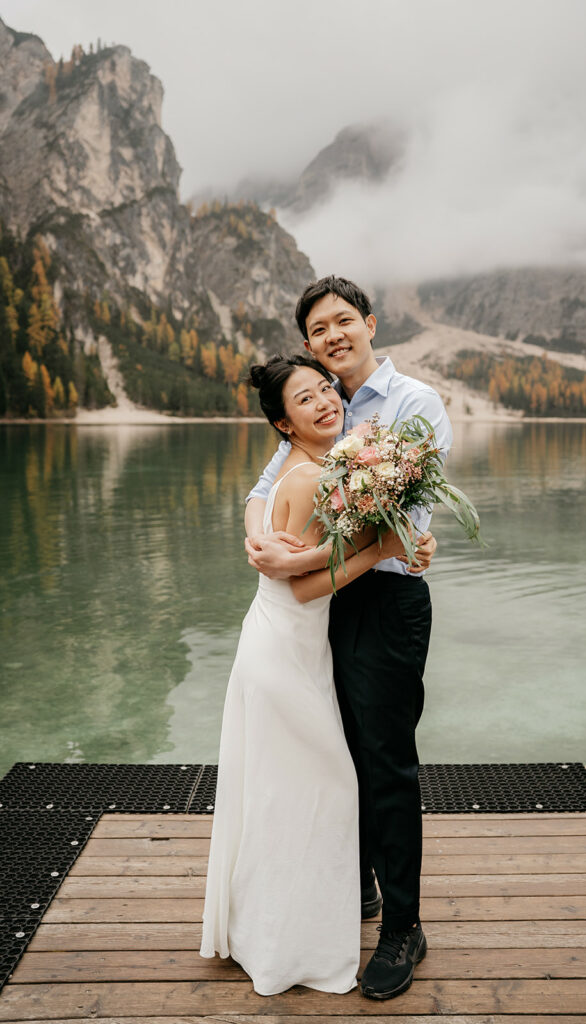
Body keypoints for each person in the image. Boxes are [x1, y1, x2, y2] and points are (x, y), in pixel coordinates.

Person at [244, 275, 453, 1000]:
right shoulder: (318, 404)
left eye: (343, 321)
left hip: (386, 602)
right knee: (340, 748)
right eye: (319, 329)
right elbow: (262, 491)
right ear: (309, 346)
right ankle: (361, 886)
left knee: (387, 762)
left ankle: (404, 927)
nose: (334, 336)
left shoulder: (412, 404)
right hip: (327, 608)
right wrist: (262, 548)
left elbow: (400, 521)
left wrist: (299, 561)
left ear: (369, 323)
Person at [199, 353, 408, 996]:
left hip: (284, 648)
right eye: (305, 400)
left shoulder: (317, 467)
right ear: (283, 423)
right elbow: (302, 588)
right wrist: (381, 549)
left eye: (326, 389)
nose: (325, 402)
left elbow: (288, 559)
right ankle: (292, 944)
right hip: (284, 649)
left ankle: (268, 931)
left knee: (278, 790)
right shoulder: (309, 476)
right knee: (325, 787)